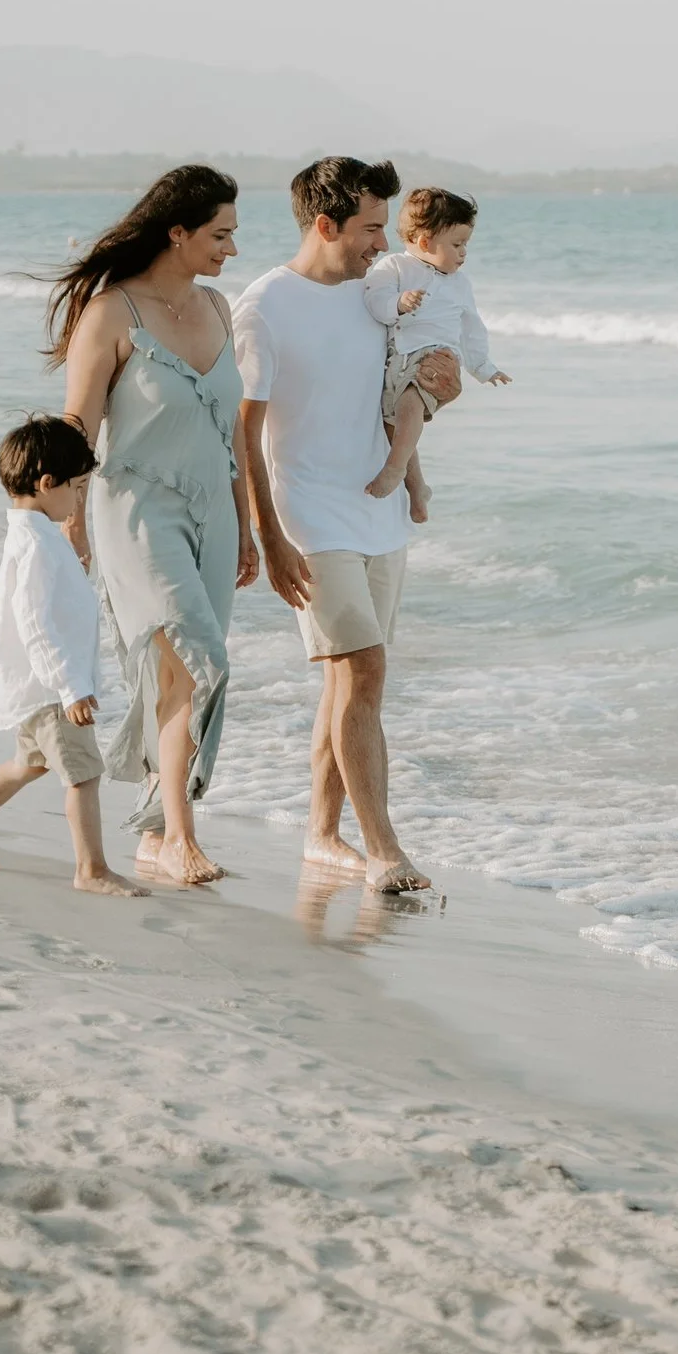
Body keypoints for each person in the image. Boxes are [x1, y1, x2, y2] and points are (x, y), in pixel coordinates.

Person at [234, 156, 457, 893]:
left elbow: (403, 384)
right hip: (308, 515)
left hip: (378, 512)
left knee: (349, 685)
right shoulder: (266, 305)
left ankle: (322, 835)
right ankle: (385, 850)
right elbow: (245, 433)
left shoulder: (378, 296)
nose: (380, 243)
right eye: (368, 228)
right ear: (325, 225)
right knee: (363, 668)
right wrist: (264, 535)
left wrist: (440, 396)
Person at [51, 165, 259, 887]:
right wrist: (64, 521)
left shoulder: (220, 309)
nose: (231, 249)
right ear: (178, 232)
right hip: (136, 511)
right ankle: (178, 836)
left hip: (214, 514)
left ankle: (155, 825)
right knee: (193, 660)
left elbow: (233, 431)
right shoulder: (113, 313)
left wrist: (249, 524)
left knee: (181, 673)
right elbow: (79, 422)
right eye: (220, 235)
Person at [0, 415, 145, 897]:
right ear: (46, 483)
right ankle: (90, 869)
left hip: (42, 685)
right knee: (84, 776)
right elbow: (35, 623)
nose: (78, 500)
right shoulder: (34, 543)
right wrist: (71, 687)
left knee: (25, 765)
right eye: (74, 488)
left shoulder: (39, 535)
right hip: (54, 687)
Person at [361, 187, 512, 515]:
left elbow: (472, 328)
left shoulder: (460, 284)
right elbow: (375, 299)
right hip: (398, 358)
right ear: (425, 242)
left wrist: (483, 367)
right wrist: (397, 304)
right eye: (457, 245)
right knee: (395, 425)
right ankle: (417, 489)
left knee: (409, 407)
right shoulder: (394, 268)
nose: (463, 254)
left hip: (434, 358)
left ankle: (394, 471)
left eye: (465, 245)